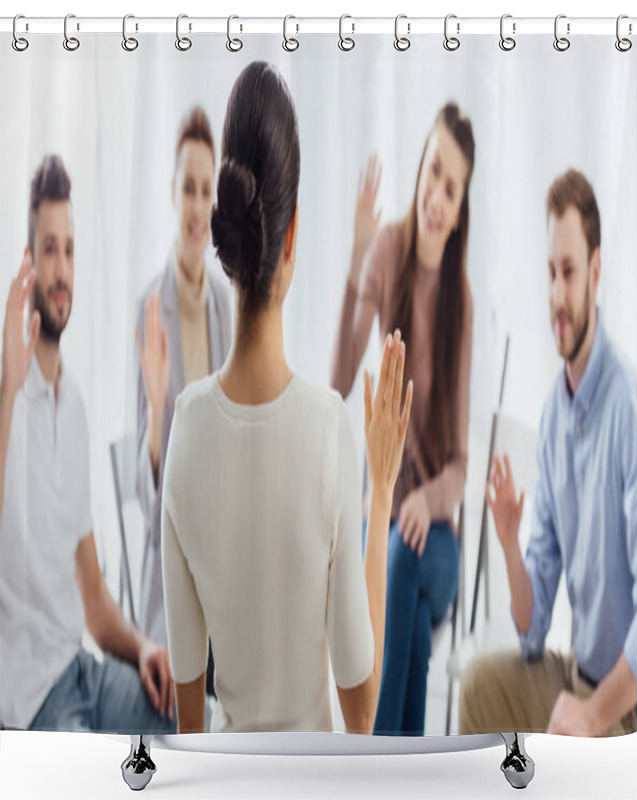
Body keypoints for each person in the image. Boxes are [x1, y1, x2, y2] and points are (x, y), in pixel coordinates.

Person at [160, 61, 413, 735]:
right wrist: (381, 492)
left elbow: (189, 731)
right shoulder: (329, 430)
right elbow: (360, 713)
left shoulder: (185, 432)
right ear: (292, 233)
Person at [459, 169, 637, 737]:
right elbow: (533, 629)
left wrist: (593, 713)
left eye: (569, 273)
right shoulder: (552, 419)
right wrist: (510, 543)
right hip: (575, 671)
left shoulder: (628, 406)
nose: (557, 296)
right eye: (550, 274)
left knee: (578, 737)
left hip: (628, 698)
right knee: (479, 686)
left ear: (596, 270)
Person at [0, 155, 176, 734]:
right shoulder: (6, 392)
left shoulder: (73, 406)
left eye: (69, 251)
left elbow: (94, 596)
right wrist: (8, 387)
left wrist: (145, 647)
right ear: (28, 261)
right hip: (33, 700)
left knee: (176, 721)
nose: (61, 270)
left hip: (81, 671)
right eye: (49, 249)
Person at [331, 104, 475, 735]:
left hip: (438, 540)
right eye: (434, 173)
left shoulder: (459, 302)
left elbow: (463, 466)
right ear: (419, 169)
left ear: (461, 206)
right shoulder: (388, 249)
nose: (437, 197)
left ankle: (368, 760)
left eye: (453, 188)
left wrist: (429, 503)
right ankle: (404, 770)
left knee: (405, 561)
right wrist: (356, 258)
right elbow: (338, 382)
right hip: (387, 516)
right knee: (410, 628)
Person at [135, 107, 231, 697]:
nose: (197, 207)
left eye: (206, 191)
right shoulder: (150, 309)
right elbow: (149, 511)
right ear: (172, 194)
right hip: (169, 567)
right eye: (188, 189)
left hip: (220, 562)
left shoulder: (226, 304)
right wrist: (153, 412)